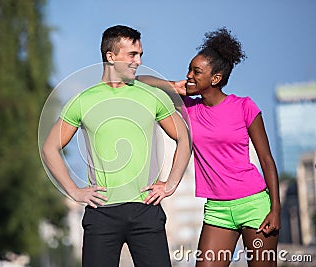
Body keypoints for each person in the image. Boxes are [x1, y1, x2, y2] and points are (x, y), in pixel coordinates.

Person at [41, 25, 191, 267]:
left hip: (146, 209)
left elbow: (184, 138)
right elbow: (50, 148)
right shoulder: (83, 100)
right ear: (110, 56)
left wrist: (171, 184)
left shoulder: (152, 96)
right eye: (132, 54)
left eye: (140, 55)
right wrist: (74, 190)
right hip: (101, 213)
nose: (139, 61)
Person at [137, 27, 281, 267]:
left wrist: (275, 208)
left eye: (197, 72)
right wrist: (175, 85)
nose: (189, 75)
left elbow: (266, 160)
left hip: (255, 205)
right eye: (189, 70)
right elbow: (140, 82)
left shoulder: (244, 107)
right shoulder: (189, 108)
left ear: (215, 78)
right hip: (217, 209)